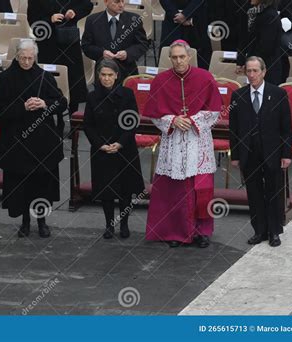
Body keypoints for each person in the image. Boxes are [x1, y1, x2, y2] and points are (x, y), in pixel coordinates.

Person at [143, 40, 222, 248]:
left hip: (198, 140)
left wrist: (194, 121)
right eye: (174, 57)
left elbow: (214, 111)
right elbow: (154, 114)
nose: (178, 61)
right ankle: (175, 232)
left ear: (189, 57)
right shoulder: (160, 81)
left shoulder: (205, 78)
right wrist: (173, 120)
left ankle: (202, 232)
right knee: (173, 190)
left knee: (201, 189)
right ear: (170, 58)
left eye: (182, 57)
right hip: (174, 140)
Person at [0, 39, 67, 238]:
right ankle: (25, 222)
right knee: (21, 184)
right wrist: (22, 108)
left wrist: (44, 104)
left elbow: (61, 103)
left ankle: (42, 222)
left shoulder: (44, 77)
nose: (26, 62)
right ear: (16, 56)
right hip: (16, 140)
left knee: (42, 183)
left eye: (30, 58)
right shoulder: (5, 79)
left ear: (35, 58)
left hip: (42, 141)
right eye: (23, 58)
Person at [229, 56, 292, 247]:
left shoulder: (278, 94)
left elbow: (286, 128)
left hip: (272, 152)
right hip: (249, 153)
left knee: (273, 192)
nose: (252, 75)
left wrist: (286, 154)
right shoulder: (238, 96)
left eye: (256, 71)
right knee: (254, 193)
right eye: (248, 71)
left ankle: (274, 231)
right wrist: (236, 155)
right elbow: (234, 129)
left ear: (264, 72)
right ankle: (259, 230)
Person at [83, 59, 144, 239]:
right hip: (102, 149)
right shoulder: (92, 97)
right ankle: (109, 225)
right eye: (103, 75)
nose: (107, 79)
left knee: (126, 189)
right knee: (106, 190)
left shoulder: (127, 94)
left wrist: (120, 143)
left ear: (117, 76)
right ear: (98, 76)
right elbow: (88, 125)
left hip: (124, 148)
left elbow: (132, 121)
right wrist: (100, 144)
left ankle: (124, 224)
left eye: (110, 75)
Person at [27, 0, 93, 114]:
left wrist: (75, 12)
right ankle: (49, 117)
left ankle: (73, 119)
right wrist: (50, 19)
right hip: (47, 43)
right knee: (48, 81)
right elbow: (32, 19)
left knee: (73, 81)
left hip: (69, 41)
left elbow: (87, 5)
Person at [81, 0, 149, 81]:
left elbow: (143, 44)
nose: (121, 5)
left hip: (127, 72)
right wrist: (101, 53)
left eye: (123, 1)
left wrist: (128, 53)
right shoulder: (92, 20)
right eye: (116, 2)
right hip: (103, 74)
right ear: (106, 2)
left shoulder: (134, 20)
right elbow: (86, 46)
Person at [236, 0, 283, 85]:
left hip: (267, 67)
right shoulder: (252, 12)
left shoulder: (270, 15)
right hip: (254, 65)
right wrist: (241, 60)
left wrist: (249, 62)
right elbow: (244, 38)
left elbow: (266, 46)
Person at [159, 0, 212, 69]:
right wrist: (175, 15)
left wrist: (186, 14)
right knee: (170, 55)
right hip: (172, 20)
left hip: (197, 20)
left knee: (200, 57)